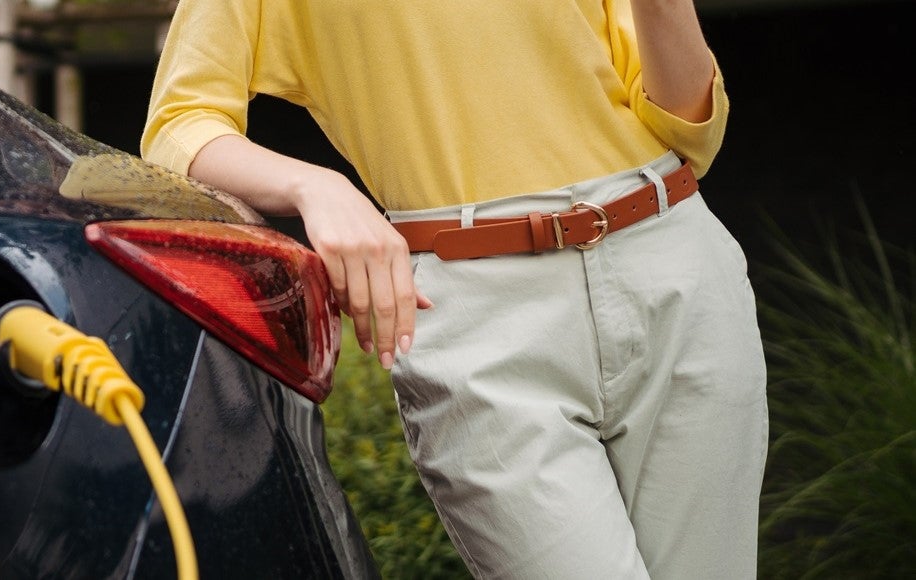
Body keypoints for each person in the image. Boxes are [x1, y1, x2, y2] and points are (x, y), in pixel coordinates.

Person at [142, 0, 767, 577]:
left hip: (670, 258)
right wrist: (316, 187)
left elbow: (691, 131)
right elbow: (178, 125)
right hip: (478, 318)